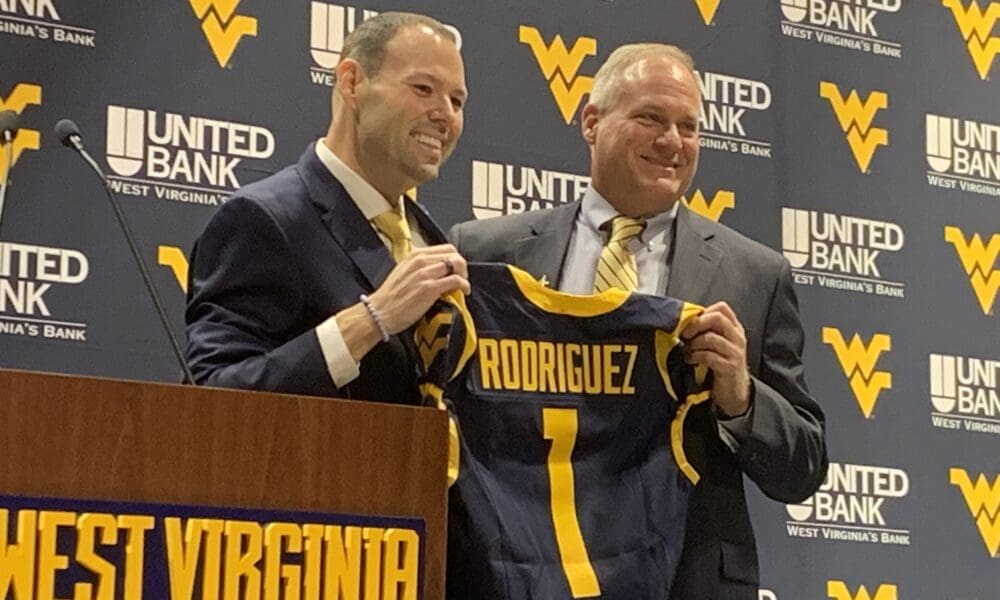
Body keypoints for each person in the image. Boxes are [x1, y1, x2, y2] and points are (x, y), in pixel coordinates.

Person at [450, 43, 828, 599]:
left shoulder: (755, 275)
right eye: (650, 117)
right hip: (520, 574)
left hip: (686, 582)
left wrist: (741, 397)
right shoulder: (487, 253)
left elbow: (804, 468)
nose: (672, 141)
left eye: (688, 126)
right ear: (592, 123)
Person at [185, 12, 470, 403]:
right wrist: (371, 320)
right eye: (423, 88)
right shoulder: (264, 220)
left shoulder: (431, 239)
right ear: (352, 82)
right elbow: (211, 396)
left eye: (456, 100)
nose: (445, 115)